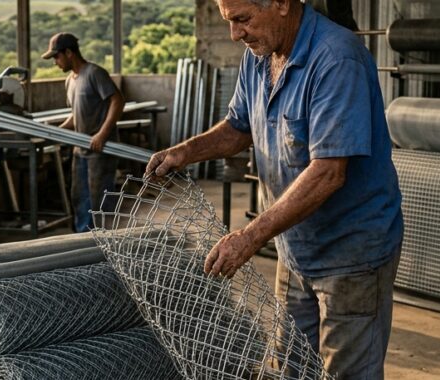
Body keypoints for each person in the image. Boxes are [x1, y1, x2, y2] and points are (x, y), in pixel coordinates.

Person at [145, 0, 403, 378]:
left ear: (281, 3)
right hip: (296, 248)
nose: (235, 34)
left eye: (242, 20)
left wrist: (249, 238)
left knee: (347, 371)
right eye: (228, 21)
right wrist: (186, 151)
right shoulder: (260, 54)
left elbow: (329, 172)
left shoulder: (336, 58)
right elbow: (239, 126)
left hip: (351, 255)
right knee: (290, 366)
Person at [43, 32, 126, 232]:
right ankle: (84, 242)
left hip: (100, 150)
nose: (55, 62)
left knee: (100, 199)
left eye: (57, 56)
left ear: (69, 52)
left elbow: (118, 101)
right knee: (80, 197)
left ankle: (106, 244)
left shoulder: (94, 73)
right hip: (80, 150)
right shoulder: (70, 81)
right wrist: (57, 131)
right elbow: (75, 115)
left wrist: (102, 135)